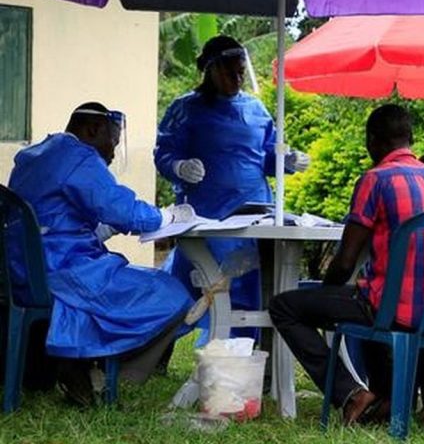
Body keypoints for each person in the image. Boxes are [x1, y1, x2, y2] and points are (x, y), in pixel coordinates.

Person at [269, 104, 424, 425]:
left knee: (286, 306)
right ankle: (385, 398)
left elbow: (344, 262)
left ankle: (351, 394)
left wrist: (325, 299)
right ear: (410, 139)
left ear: (372, 141)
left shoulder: (375, 179)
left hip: (391, 309)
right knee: (365, 294)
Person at [7, 102, 194, 406]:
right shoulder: (80, 157)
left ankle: (81, 367)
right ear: (92, 130)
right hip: (64, 270)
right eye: (112, 143)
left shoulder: (33, 156)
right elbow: (125, 211)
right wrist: (168, 217)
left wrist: (98, 231)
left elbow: (50, 217)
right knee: (172, 292)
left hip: (25, 270)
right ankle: (107, 370)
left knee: (121, 281)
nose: (110, 155)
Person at [154, 36, 310, 338]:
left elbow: (266, 158)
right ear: (211, 70)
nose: (237, 79)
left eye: (240, 72)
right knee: (193, 282)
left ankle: (241, 352)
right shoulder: (186, 109)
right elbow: (164, 153)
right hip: (205, 214)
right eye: (229, 72)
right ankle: (161, 345)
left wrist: (287, 162)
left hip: (251, 211)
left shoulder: (255, 109)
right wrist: (178, 166)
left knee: (247, 285)